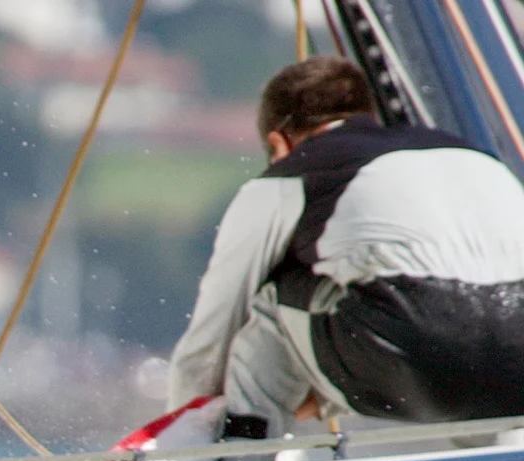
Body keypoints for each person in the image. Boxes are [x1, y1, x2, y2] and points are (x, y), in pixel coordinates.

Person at [168, 56, 524, 436]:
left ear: (279, 143)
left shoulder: (291, 175)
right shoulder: (471, 155)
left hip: (420, 346)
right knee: (478, 385)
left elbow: (215, 333)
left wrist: (184, 425)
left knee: (275, 300)